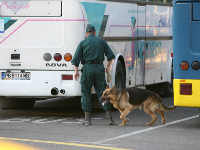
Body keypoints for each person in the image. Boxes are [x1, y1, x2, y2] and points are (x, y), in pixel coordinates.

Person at [71, 24, 115, 126]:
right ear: (95, 33)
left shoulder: (82, 42)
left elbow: (76, 60)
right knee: (103, 93)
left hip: (87, 69)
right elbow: (111, 56)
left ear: (86, 34)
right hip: (99, 68)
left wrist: (76, 71)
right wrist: (107, 67)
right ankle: (109, 119)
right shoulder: (102, 42)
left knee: (86, 93)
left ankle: (87, 120)